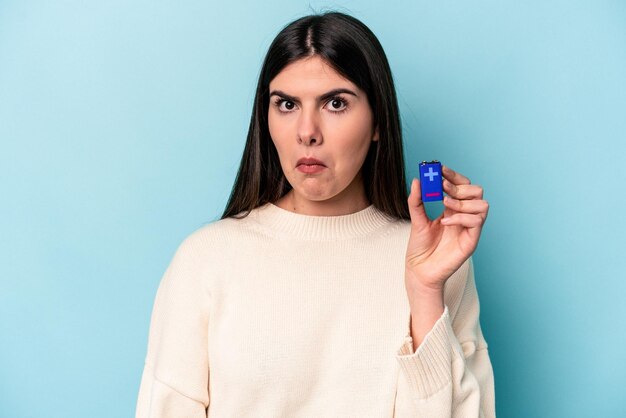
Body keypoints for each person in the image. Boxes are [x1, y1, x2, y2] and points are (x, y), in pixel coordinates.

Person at [135, 11, 495, 418]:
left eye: (336, 103)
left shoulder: (437, 262)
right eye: (286, 104)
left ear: (378, 121)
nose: (307, 131)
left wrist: (426, 293)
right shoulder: (206, 260)